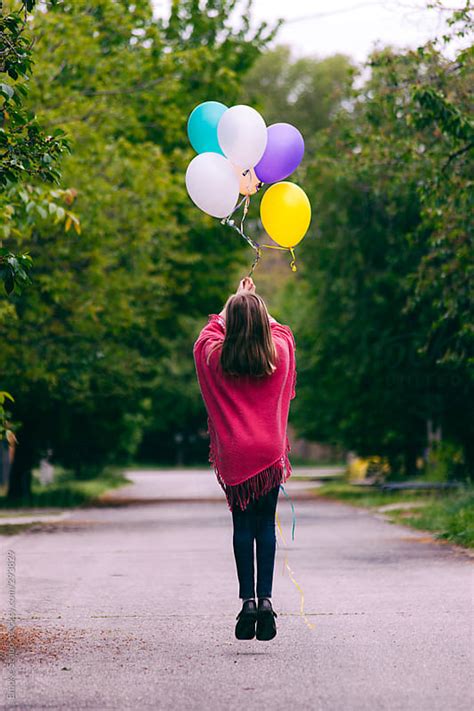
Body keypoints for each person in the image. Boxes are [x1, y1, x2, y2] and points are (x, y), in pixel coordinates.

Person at [193, 276, 296, 641]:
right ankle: (267, 601)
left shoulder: (216, 358)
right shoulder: (279, 354)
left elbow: (204, 338)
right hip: (269, 454)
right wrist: (255, 308)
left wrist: (231, 305)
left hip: (236, 456)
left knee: (242, 527)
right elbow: (281, 331)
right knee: (265, 525)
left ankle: (247, 603)